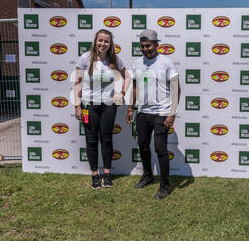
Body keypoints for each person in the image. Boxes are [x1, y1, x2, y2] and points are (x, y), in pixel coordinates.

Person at [126, 29, 180, 199]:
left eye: (148, 45)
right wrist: (130, 108)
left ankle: (165, 185)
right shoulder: (137, 63)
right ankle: (148, 175)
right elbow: (134, 87)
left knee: (160, 148)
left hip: (162, 112)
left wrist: (172, 114)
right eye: (142, 46)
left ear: (157, 44)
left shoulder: (166, 62)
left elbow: (176, 89)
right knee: (142, 145)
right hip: (143, 112)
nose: (145, 49)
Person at [74, 29, 129, 189]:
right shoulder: (85, 58)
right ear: (95, 41)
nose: (103, 44)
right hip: (88, 107)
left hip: (108, 107)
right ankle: (94, 176)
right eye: (100, 40)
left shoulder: (114, 59)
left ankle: (107, 174)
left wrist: (121, 93)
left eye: (106, 41)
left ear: (110, 44)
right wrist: (77, 105)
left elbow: (127, 77)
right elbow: (77, 83)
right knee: (91, 141)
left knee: (106, 140)